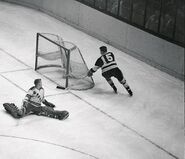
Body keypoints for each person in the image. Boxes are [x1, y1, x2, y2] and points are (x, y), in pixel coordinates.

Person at [3, 79, 69, 120]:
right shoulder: (32, 89)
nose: (41, 84)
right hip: (29, 106)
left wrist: (48, 103)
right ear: (37, 84)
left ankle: (61, 114)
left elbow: (42, 99)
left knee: (47, 110)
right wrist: (25, 105)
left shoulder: (42, 90)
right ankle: (12, 108)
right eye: (40, 83)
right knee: (19, 115)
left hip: (37, 107)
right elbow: (27, 97)